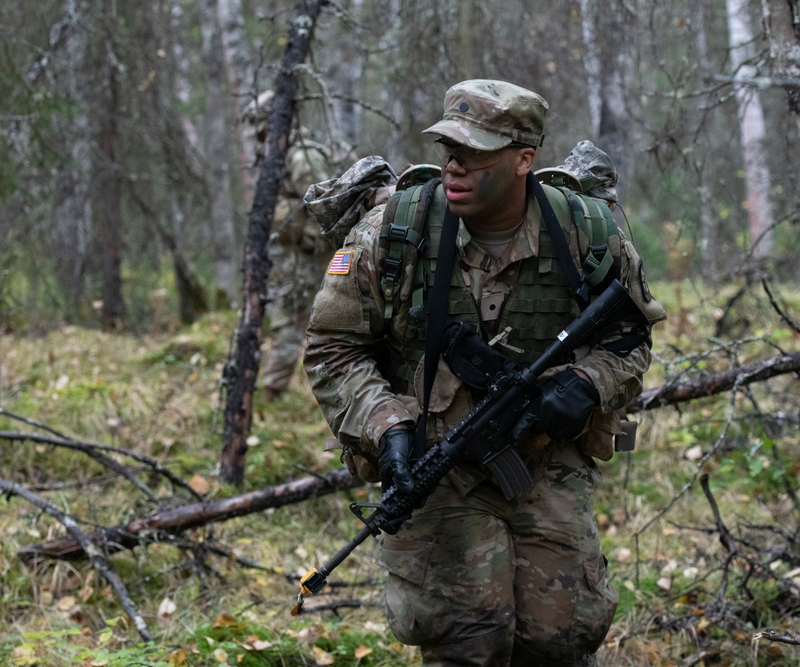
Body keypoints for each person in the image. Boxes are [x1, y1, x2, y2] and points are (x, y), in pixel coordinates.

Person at [304, 79, 665, 666]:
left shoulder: (585, 231)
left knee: (561, 637)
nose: (454, 165)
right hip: (435, 463)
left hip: (546, 460)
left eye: (475, 153)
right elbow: (332, 349)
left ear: (525, 160)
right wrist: (387, 426)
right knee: (466, 639)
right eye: (449, 149)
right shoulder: (395, 235)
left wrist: (587, 384)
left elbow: (630, 337)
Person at [240, 90, 350, 401]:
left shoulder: (302, 155)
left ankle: (274, 392)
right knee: (290, 317)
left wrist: (311, 240)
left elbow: (326, 203)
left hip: (308, 256)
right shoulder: (283, 153)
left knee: (292, 319)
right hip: (293, 254)